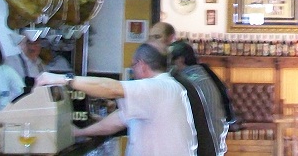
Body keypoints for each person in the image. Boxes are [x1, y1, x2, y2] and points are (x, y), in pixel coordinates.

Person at [35, 43, 197, 156]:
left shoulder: (157, 87)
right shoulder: (164, 88)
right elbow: (119, 120)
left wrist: (62, 79)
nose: (133, 71)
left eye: (133, 66)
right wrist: (79, 132)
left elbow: (111, 88)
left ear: (141, 65)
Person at [169, 40, 231, 156]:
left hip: (206, 147)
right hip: (215, 145)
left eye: (170, 61)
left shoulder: (190, 81)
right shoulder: (201, 75)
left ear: (180, 60)